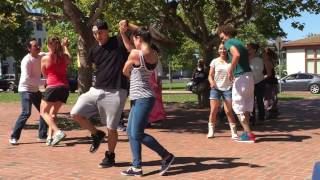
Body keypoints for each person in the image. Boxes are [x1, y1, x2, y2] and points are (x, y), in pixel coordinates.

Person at [70, 19, 130, 167]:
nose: (98, 36)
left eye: (100, 32)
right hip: (96, 90)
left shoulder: (118, 42)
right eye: (95, 33)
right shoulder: (93, 49)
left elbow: (130, 48)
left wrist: (124, 29)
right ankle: (96, 133)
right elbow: (87, 63)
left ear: (107, 31)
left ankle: (110, 156)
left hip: (116, 91)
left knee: (111, 127)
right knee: (75, 113)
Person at [121, 27, 174, 177]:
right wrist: (123, 33)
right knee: (131, 133)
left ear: (138, 38)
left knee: (137, 133)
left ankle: (166, 156)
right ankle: (136, 166)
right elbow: (131, 49)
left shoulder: (135, 54)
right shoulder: (153, 54)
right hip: (142, 98)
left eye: (134, 39)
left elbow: (124, 71)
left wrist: (130, 72)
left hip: (142, 99)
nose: (133, 43)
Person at [218, 25, 256, 143]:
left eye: (221, 35)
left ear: (224, 32)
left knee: (238, 105)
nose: (221, 38)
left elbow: (236, 55)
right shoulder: (240, 42)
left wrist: (231, 69)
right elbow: (245, 56)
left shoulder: (229, 42)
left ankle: (248, 134)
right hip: (249, 76)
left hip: (240, 77)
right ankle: (247, 132)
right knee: (247, 104)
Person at [9, 38, 48, 145]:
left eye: (38, 45)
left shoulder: (41, 55)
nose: (38, 47)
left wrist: (62, 47)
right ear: (29, 49)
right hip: (25, 89)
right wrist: (45, 81)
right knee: (26, 112)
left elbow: (51, 53)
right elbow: (27, 79)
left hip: (35, 90)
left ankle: (42, 135)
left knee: (44, 110)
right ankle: (14, 137)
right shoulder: (26, 61)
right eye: (35, 46)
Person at [40, 36, 71, 146]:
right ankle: (49, 137)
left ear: (48, 45)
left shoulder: (45, 58)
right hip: (65, 88)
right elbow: (69, 59)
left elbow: (44, 74)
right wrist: (65, 46)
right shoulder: (64, 56)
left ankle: (57, 132)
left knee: (43, 112)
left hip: (52, 87)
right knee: (52, 114)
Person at [207, 43, 238, 139]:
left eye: (224, 49)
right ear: (218, 50)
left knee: (228, 111)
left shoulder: (231, 61)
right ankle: (211, 131)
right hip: (216, 89)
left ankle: (234, 132)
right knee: (213, 111)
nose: (222, 51)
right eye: (221, 49)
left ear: (227, 50)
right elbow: (210, 75)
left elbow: (235, 73)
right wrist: (211, 82)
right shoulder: (214, 61)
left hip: (228, 89)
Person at [247, 43, 266, 124]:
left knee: (259, 100)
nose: (247, 50)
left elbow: (259, 71)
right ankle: (252, 117)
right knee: (250, 101)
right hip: (249, 82)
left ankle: (261, 118)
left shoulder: (259, 60)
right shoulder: (245, 59)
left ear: (254, 50)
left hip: (259, 82)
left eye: (249, 49)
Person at [263, 48, 279, 119]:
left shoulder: (267, 62)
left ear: (267, 55)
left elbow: (268, 74)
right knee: (272, 97)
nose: (262, 55)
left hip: (268, 82)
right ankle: (273, 112)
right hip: (272, 82)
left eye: (263, 53)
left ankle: (268, 113)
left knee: (267, 98)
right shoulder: (270, 61)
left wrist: (260, 78)